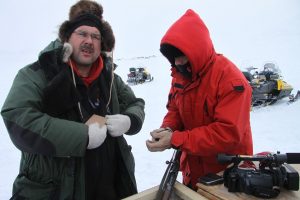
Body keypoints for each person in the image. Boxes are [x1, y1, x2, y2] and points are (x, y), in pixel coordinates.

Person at [1, 1, 145, 199]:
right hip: (57, 191)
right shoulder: (39, 73)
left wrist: (130, 120)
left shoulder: (110, 78)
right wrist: (81, 136)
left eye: (95, 36)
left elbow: (136, 104)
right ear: (67, 37)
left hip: (110, 189)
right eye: (82, 33)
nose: (89, 41)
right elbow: (18, 119)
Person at [146, 9, 253, 190]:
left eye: (181, 55)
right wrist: (168, 128)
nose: (178, 63)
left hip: (227, 175)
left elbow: (227, 134)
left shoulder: (230, 80)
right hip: (193, 170)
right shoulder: (181, 76)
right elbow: (175, 110)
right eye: (173, 58)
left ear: (196, 49)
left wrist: (175, 139)